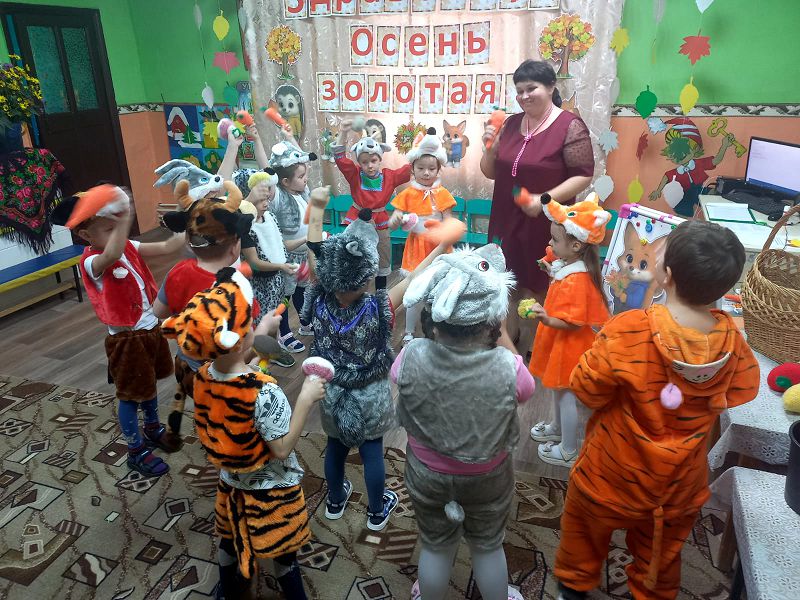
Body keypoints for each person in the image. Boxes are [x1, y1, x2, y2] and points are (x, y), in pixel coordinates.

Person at [554, 220, 760, 600]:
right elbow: (743, 391)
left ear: (666, 275)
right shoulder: (734, 344)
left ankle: (574, 585)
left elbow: (585, 388)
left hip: (609, 474)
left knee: (583, 533)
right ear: (727, 287)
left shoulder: (629, 329)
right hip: (677, 488)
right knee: (660, 556)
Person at [162, 267, 325, 600]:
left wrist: (260, 330)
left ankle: (227, 591)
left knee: (229, 540)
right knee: (283, 552)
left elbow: (234, 363)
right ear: (240, 336)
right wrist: (306, 400)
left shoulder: (202, 376)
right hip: (272, 491)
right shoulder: (263, 392)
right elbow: (281, 449)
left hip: (232, 484)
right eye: (249, 323)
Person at [394, 243, 533, 600]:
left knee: (435, 545)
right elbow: (526, 390)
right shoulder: (509, 366)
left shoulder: (411, 354)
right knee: (488, 546)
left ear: (434, 317)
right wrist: (504, 336)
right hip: (488, 474)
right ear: (493, 322)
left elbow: (397, 376)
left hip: (426, 472)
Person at [51, 185, 186, 476]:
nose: (118, 234)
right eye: (108, 229)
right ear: (86, 235)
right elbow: (111, 253)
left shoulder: (127, 246)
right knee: (130, 395)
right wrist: (125, 217)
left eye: (118, 227)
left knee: (148, 385)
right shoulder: (90, 261)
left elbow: (167, 247)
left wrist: (187, 220)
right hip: (127, 340)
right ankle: (135, 451)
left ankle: (152, 428)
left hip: (150, 330)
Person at [480, 60, 594, 350]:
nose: (524, 96)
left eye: (531, 88)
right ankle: (509, 343)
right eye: (519, 91)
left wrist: (544, 200)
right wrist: (489, 149)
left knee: (540, 282)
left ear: (551, 86)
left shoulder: (570, 126)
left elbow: (583, 175)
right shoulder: (510, 124)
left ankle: (538, 347)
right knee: (506, 278)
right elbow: (491, 172)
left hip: (547, 220)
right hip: (505, 215)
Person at [153, 180, 256, 440]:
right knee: (223, 413)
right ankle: (221, 441)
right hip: (222, 371)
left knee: (200, 402)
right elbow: (246, 339)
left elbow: (158, 311)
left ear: (189, 241)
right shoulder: (237, 286)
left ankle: (197, 431)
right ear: (236, 245)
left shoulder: (177, 271)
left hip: (186, 363)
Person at [523, 193, 610, 468]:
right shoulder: (570, 268)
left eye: (554, 240)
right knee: (557, 390)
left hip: (569, 346)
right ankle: (557, 428)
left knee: (565, 396)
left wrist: (546, 318)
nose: (550, 244)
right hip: (562, 344)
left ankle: (569, 449)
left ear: (575, 245)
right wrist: (551, 270)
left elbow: (573, 321)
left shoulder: (577, 280)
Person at [388, 127, 455, 344]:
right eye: (421, 168)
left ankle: (437, 332)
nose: (426, 173)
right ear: (413, 169)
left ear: (438, 169)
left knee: (437, 292)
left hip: (438, 247)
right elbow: (395, 217)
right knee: (414, 292)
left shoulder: (442, 194)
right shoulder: (408, 193)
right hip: (416, 248)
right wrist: (396, 219)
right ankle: (408, 332)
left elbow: (449, 221)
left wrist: (448, 236)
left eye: (431, 168)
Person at [239, 169, 307, 369]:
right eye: (261, 200)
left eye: (267, 199)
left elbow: (282, 245)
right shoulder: (246, 227)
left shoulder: (270, 218)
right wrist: (281, 266)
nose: (266, 203)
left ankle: (271, 349)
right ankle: (259, 357)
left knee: (274, 318)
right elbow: (254, 262)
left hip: (276, 281)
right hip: (259, 285)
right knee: (261, 322)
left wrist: (305, 239)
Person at [332, 119, 412, 289]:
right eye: (364, 162)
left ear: (380, 159)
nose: (370, 166)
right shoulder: (355, 174)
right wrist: (343, 132)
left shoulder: (389, 176)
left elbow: (410, 169)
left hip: (380, 222)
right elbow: (340, 158)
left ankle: (381, 294)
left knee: (383, 257)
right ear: (359, 163)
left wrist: (422, 150)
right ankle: (355, 294)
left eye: (374, 160)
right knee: (355, 257)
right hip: (357, 220)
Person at [268, 139, 317, 354]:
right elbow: (270, 175)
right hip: (287, 257)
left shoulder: (301, 193)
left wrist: (291, 139)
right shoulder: (279, 197)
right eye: (301, 177)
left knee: (302, 290)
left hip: (303, 255)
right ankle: (284, 332)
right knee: (285, 296)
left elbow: (303, 164)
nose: (306, 179)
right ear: (285, 181)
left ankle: (305, 322)